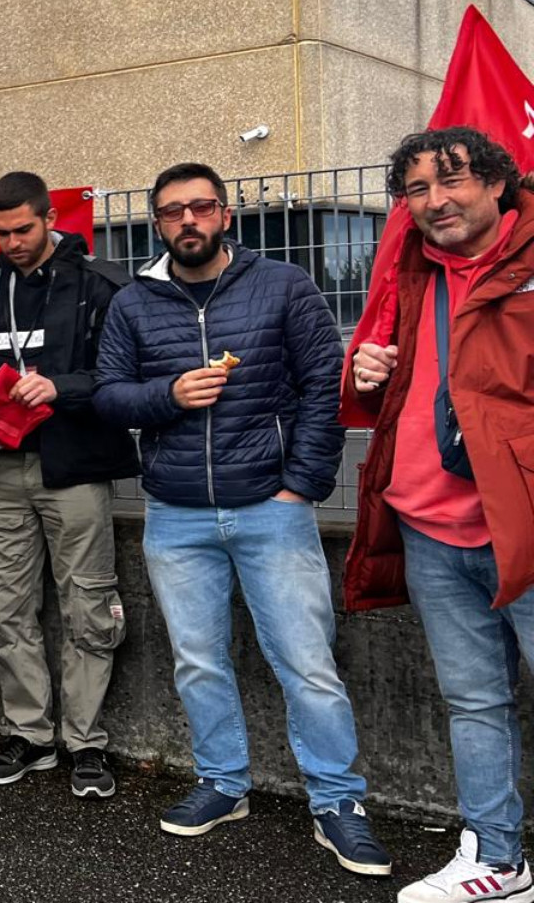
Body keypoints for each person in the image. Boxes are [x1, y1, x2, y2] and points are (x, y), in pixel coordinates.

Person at [93, 163, 389, 875]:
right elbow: (108, 396)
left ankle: (338, 801)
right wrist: (168, 395)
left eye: (201, 207)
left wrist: (301, 487)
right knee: (198, 662)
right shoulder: (133, 303)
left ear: (226, 215)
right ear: (157, 224)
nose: (188, 221)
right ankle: (224, 783)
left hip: (269, 507)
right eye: (172, 212)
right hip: (175, 513)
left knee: (307, 663)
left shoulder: (283, 285)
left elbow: (324, 390)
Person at [345, 128, 534, 903]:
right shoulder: (411, 270)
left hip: (523, 524)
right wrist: (365, 372)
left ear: (496, 183)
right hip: (427, 528)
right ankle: (499, 859)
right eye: (417, 189)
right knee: (474, 704)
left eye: (452, 180)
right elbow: (383, 392)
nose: (435, 201)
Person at [0, 172, 139, 799]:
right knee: (4, 607)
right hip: (1, 473)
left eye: (23, 229)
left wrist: (61, 388)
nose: (13, 243)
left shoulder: (100, 285)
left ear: (50, 219)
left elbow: (125, 372)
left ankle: (86, 742)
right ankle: (31, 735)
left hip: (75, 469)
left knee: (88, 607)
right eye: (1, 233)